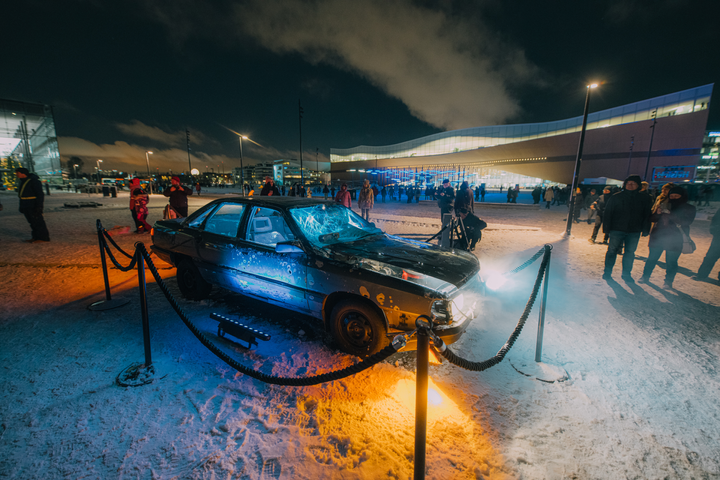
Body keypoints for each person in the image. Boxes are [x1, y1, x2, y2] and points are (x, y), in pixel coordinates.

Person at [639, 186, 696, 289]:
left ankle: (668, 281)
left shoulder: (689, 208)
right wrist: (657, 213)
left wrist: (671, 214)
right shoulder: (664, 205)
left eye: (676, 196)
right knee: (652, 258)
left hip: (675, 238)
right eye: (671, 196)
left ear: (682, 196)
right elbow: (652, 219)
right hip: (658, 236)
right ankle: (645, 276)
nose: (673, 198)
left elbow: (687, 222)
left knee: (671, 261)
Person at [602, 175, 652, 281]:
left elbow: (647, 214)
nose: (630, 185)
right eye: (628, 183)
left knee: (630, 253)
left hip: (634, 230)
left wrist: (646, 228)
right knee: (612, 251)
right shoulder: (616, 196)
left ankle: (626, 274)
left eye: (633, 183)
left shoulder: (644, 198)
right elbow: (608, 213)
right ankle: (607, 272)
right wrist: (606, 228)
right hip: (616, 229)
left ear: (638, 185)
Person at [15, 168, 50, 243]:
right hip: (26, 204)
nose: (16, 174)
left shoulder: (34, 181)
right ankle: (36, 237)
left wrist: (39, 206)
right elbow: (22, 196)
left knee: (38, 221)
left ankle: (43, 237)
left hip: (32, 204)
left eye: (17, 173)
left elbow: (40, 194)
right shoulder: (23, 181)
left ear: (22, 173)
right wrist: (21, 206)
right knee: (32, 222)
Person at [693, 209, 720, 282]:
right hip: (718, 239)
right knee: (710, 257)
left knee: (710, 257)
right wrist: (715, 231)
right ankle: (702, 275)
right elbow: (715, 219)